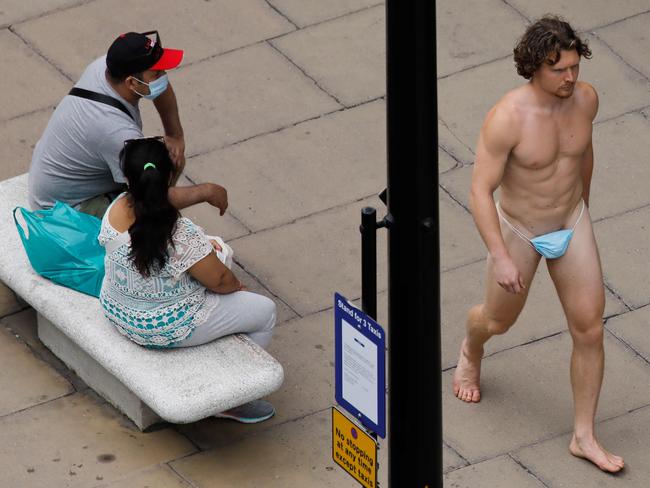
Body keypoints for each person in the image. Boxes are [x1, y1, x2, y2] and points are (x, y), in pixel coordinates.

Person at [452, 16, 624, 473]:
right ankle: (471, 349)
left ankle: (583, 435)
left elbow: (583, 152)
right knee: (496, 320)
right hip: (520, 230)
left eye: (574, 67)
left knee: (590, 328)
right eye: (559, 70)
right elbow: (478, 191)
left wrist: (584, 207)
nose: (570, 78)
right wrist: (501, 255)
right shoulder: (506, 118)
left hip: (571, 220)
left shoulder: (586, 100)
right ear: (534, 68)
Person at [99, 137, 277, 423]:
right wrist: (235, 288)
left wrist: (205, 192)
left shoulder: (116, 209)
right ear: (169, 177)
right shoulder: (180, 235)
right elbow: (220, 281)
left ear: (129, 181)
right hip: (167, 326)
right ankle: (228, 397)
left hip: (119, 312)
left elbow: (156, 201)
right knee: (264, 310)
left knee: (212, 256)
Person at [28, 30, 227, 218]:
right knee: (151, 202)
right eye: (157, 73)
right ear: (132, 83)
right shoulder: (117, 133)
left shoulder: (107, 68)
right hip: (66, 210)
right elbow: (151, 198)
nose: (163, 76)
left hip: (55, 178)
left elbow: (160, 87)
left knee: (165, 160)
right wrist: (206, 191)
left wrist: (175, 134)